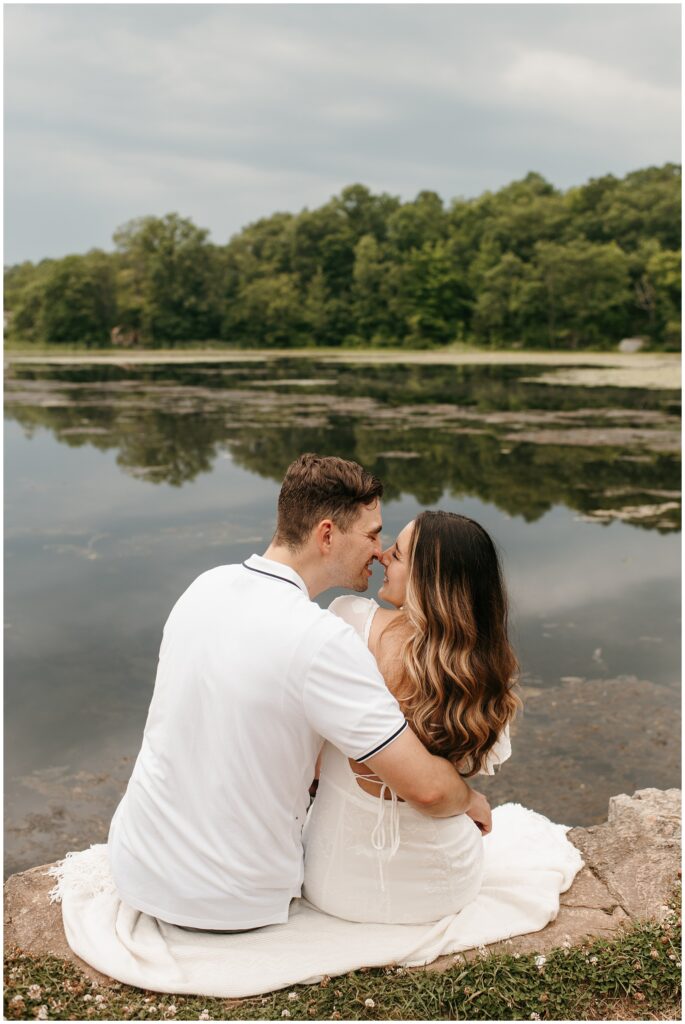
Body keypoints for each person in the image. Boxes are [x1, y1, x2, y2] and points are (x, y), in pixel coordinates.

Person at [107, 455, 491, 932]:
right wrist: (469, 799)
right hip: (231, 897)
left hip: (135, 867)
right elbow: (429, 791)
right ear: (327, 535)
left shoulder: (205, 585)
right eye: (372, 535)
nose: (379, 552)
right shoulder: (320, 640)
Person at [302, 510, 520, 924]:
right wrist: (468, 798)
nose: (382, 555)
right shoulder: (486, 668)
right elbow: (447, 782)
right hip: (441, 886)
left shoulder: (349, 621)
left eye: (397, 554)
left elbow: (309, 753)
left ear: (427, 579)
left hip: (337, 884)